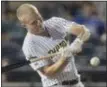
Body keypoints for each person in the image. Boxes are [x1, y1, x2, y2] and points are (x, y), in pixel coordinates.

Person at [17, 3, 90, 87]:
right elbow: (48, 73)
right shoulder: (29, 46)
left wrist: (78, 42)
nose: (39, 23)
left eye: (38, 18)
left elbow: (83, 31)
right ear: (24, 25)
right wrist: (65, 58)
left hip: (77, 83)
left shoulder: (54, 22)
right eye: (33, 23)